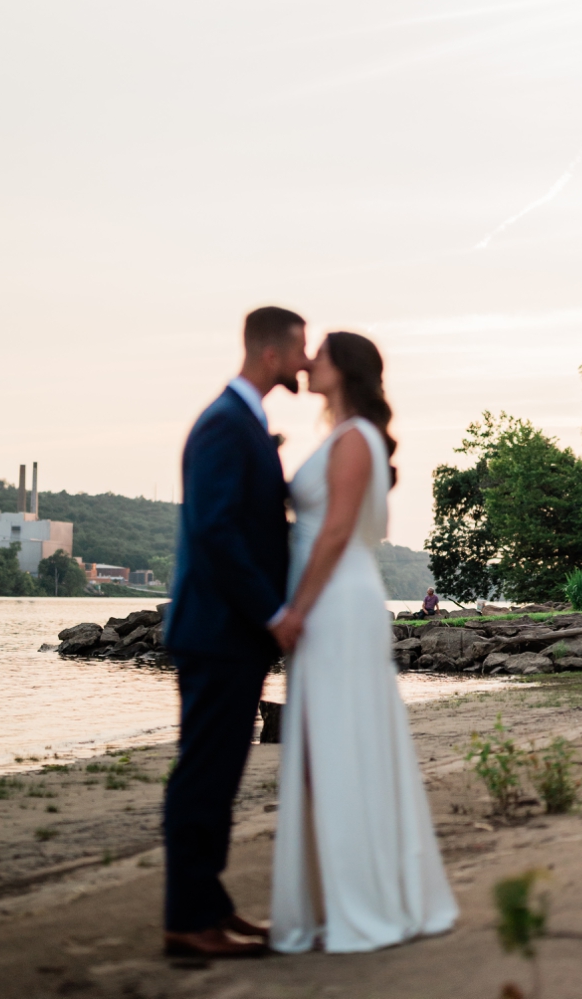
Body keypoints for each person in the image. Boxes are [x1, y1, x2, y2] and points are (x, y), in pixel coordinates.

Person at [267, 332, 457, 953]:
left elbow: (339, 529)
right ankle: (343, 896)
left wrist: (296, 609)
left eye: (319, 353)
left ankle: (363, 902)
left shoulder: (356, 441)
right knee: (331, 745)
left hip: (336, 605)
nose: (309, 362)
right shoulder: (346, 437)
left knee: (341, 745)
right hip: (334, 601)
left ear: (343, 368)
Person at [160, 306, 309, 958]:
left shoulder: (242, 420)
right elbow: (217, 532)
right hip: (218, 630)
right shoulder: (224, 424)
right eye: (300, 349)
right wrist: (274, 614)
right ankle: (188, 921)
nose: (305, 362)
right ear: (272, 352)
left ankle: (211, 905)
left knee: (220, 772)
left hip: (229, 633)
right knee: (204, 773)